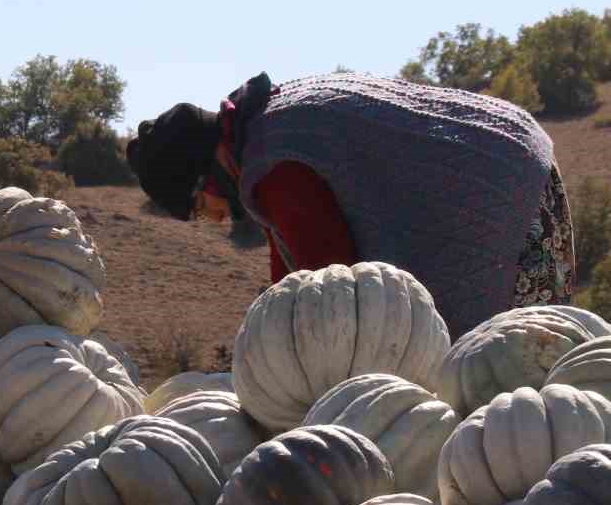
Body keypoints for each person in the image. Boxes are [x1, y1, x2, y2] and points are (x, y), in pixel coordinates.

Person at [125, 71, 575, 336]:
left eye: (203, 209)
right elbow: (290, 269)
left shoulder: (273, 169)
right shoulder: (265, 129)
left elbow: (333, 285)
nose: (216, 219)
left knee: (503, 373)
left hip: (504, 204)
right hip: (518, 159)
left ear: (209, 174)